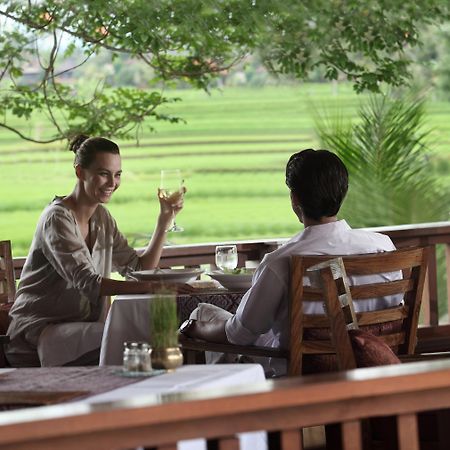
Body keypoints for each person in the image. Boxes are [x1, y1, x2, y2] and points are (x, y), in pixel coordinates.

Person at [180, 148, 402, 377]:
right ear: (342, 193)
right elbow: (396, 307)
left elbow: (239, 334)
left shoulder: (281, 262)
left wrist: (193, 328)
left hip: (300, 376)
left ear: (295, 199)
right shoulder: (383, 247)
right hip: (375, 370)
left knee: (204, 315)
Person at [6, 135, 187, 367]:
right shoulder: (57, 218)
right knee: (132, 340)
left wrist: (164, 221)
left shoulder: (102, 218)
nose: (112, 182)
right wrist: (157, 286)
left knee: (154, 335)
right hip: (38, 330)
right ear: (80, 172)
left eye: (118, 174)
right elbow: (88, 282)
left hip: (85, 329)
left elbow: (139, 269)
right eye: (104, 173)